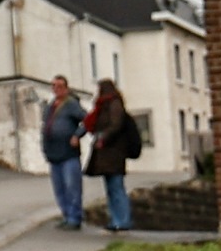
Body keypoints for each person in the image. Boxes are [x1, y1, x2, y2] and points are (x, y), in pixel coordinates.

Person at [84, 79, 143, 233]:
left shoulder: (114, 104)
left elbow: (115, 125)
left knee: (116, 187)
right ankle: (116, 219)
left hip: (114, 152)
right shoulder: (104, 105)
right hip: (107, 154)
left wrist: (103, 137)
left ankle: (123, 220)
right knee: (111, 188)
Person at [40, 76, 84, 231]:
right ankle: (66, 215)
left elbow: (87, 120)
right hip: (53, 153)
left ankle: (74, 217)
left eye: (59, 86)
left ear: (66, 88)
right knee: (59, 188)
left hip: (68, 154)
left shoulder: (71, 104)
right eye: (54, 86)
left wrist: (77, 135)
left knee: (72, 186)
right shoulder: (50, 106)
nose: (56, 89)